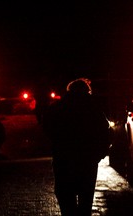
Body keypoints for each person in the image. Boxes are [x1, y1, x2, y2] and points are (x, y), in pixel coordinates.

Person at [43, 78, 110, 216]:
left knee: (65, 195)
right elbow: (106, 132)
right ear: (87, 91)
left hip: (64, 158)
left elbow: (47, 127)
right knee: (85, 199)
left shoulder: (58, 107)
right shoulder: (94, 109)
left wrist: (58, 143)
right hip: (87, 159)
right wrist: (99, 154)